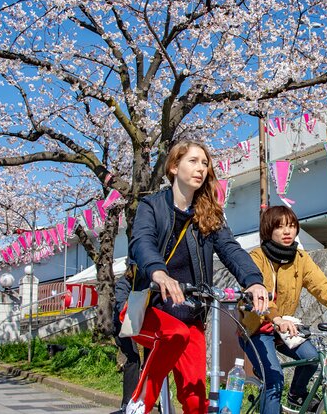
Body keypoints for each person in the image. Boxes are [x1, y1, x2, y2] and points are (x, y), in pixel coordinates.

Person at [125, 140, 268, 414]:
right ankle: (140, 403)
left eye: (205, 163)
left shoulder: (209, 214)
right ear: (174, 166)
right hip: (146, 306)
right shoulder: (151, 206)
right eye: (193, 161)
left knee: (195, 400)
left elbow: (230, 248)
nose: (200, 168)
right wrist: (160, 274)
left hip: (190, 313)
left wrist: (253, 280)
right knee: (174, 334)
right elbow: (142, 242)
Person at [239, 206, 327, 414]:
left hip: (283, 328)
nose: (287, 232)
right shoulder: (256, 257)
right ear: (268, 230)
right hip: (256, 329)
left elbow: (323, 287)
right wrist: (276, 318)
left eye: (292, 226)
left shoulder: (300, 258)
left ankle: (296, 394)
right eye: (280, 227)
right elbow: (258, 294)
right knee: (275, 380)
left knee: (312, 358)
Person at [113, 268, 141, 413]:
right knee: (133, 359)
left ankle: (144, 399)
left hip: (138, 326)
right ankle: (126, 403)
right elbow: (121, 305)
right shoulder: (123, 283)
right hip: (122, 326)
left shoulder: (141, 282)